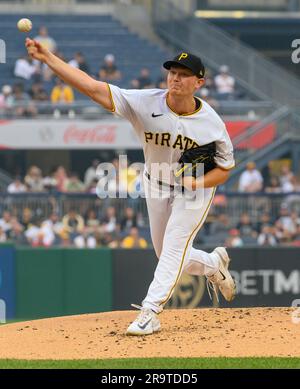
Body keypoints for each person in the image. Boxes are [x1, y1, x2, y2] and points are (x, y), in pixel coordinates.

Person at [26, 40, 236, 335]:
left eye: (184, 74)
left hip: (195, 190)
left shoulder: (212, 124)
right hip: (156, 183)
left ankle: (150, 311)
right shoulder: (145, 102)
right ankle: (213, 264)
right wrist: (48, 58)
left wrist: (197, 181)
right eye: (172, 72)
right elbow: (92, 87)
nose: (175, 78)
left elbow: (225, 170)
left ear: (199, 82)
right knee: (167, 255)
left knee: (175, 247)